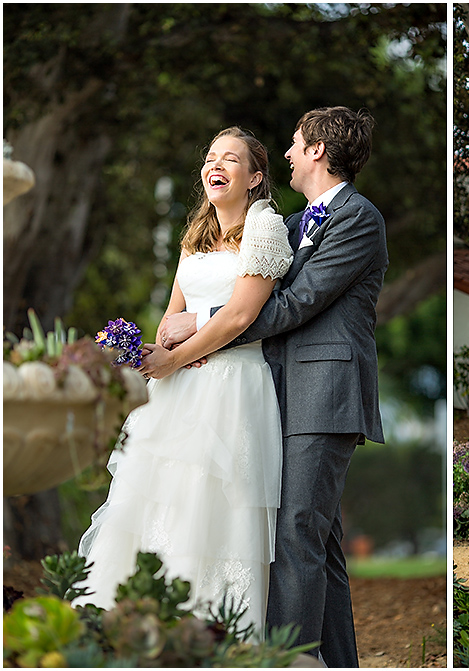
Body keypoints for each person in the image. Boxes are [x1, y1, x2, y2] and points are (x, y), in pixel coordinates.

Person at [159, 106, 388, 667]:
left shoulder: (358, 218)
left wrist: (202, 322)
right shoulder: (291, 225)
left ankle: (285, 662)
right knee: (320, 544)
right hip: (280, 395)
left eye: (294, 143)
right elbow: (252, 285)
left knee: (295, 537)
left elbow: (297, 302)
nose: (286, 152)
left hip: (325, 394)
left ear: (318, 150)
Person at [75, 127, 293, 636]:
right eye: (211, 157)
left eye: (231, 159)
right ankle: (133, 627)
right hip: (177, 392)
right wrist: (152, 355)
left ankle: (210, 635)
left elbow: (240, 317)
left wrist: (178, 358)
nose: (216, 165)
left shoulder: (265, 229)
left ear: (255, 177)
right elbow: (172, 314)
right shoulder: (194, 234)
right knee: (156, 502)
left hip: (232, 388)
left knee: (212, 507)